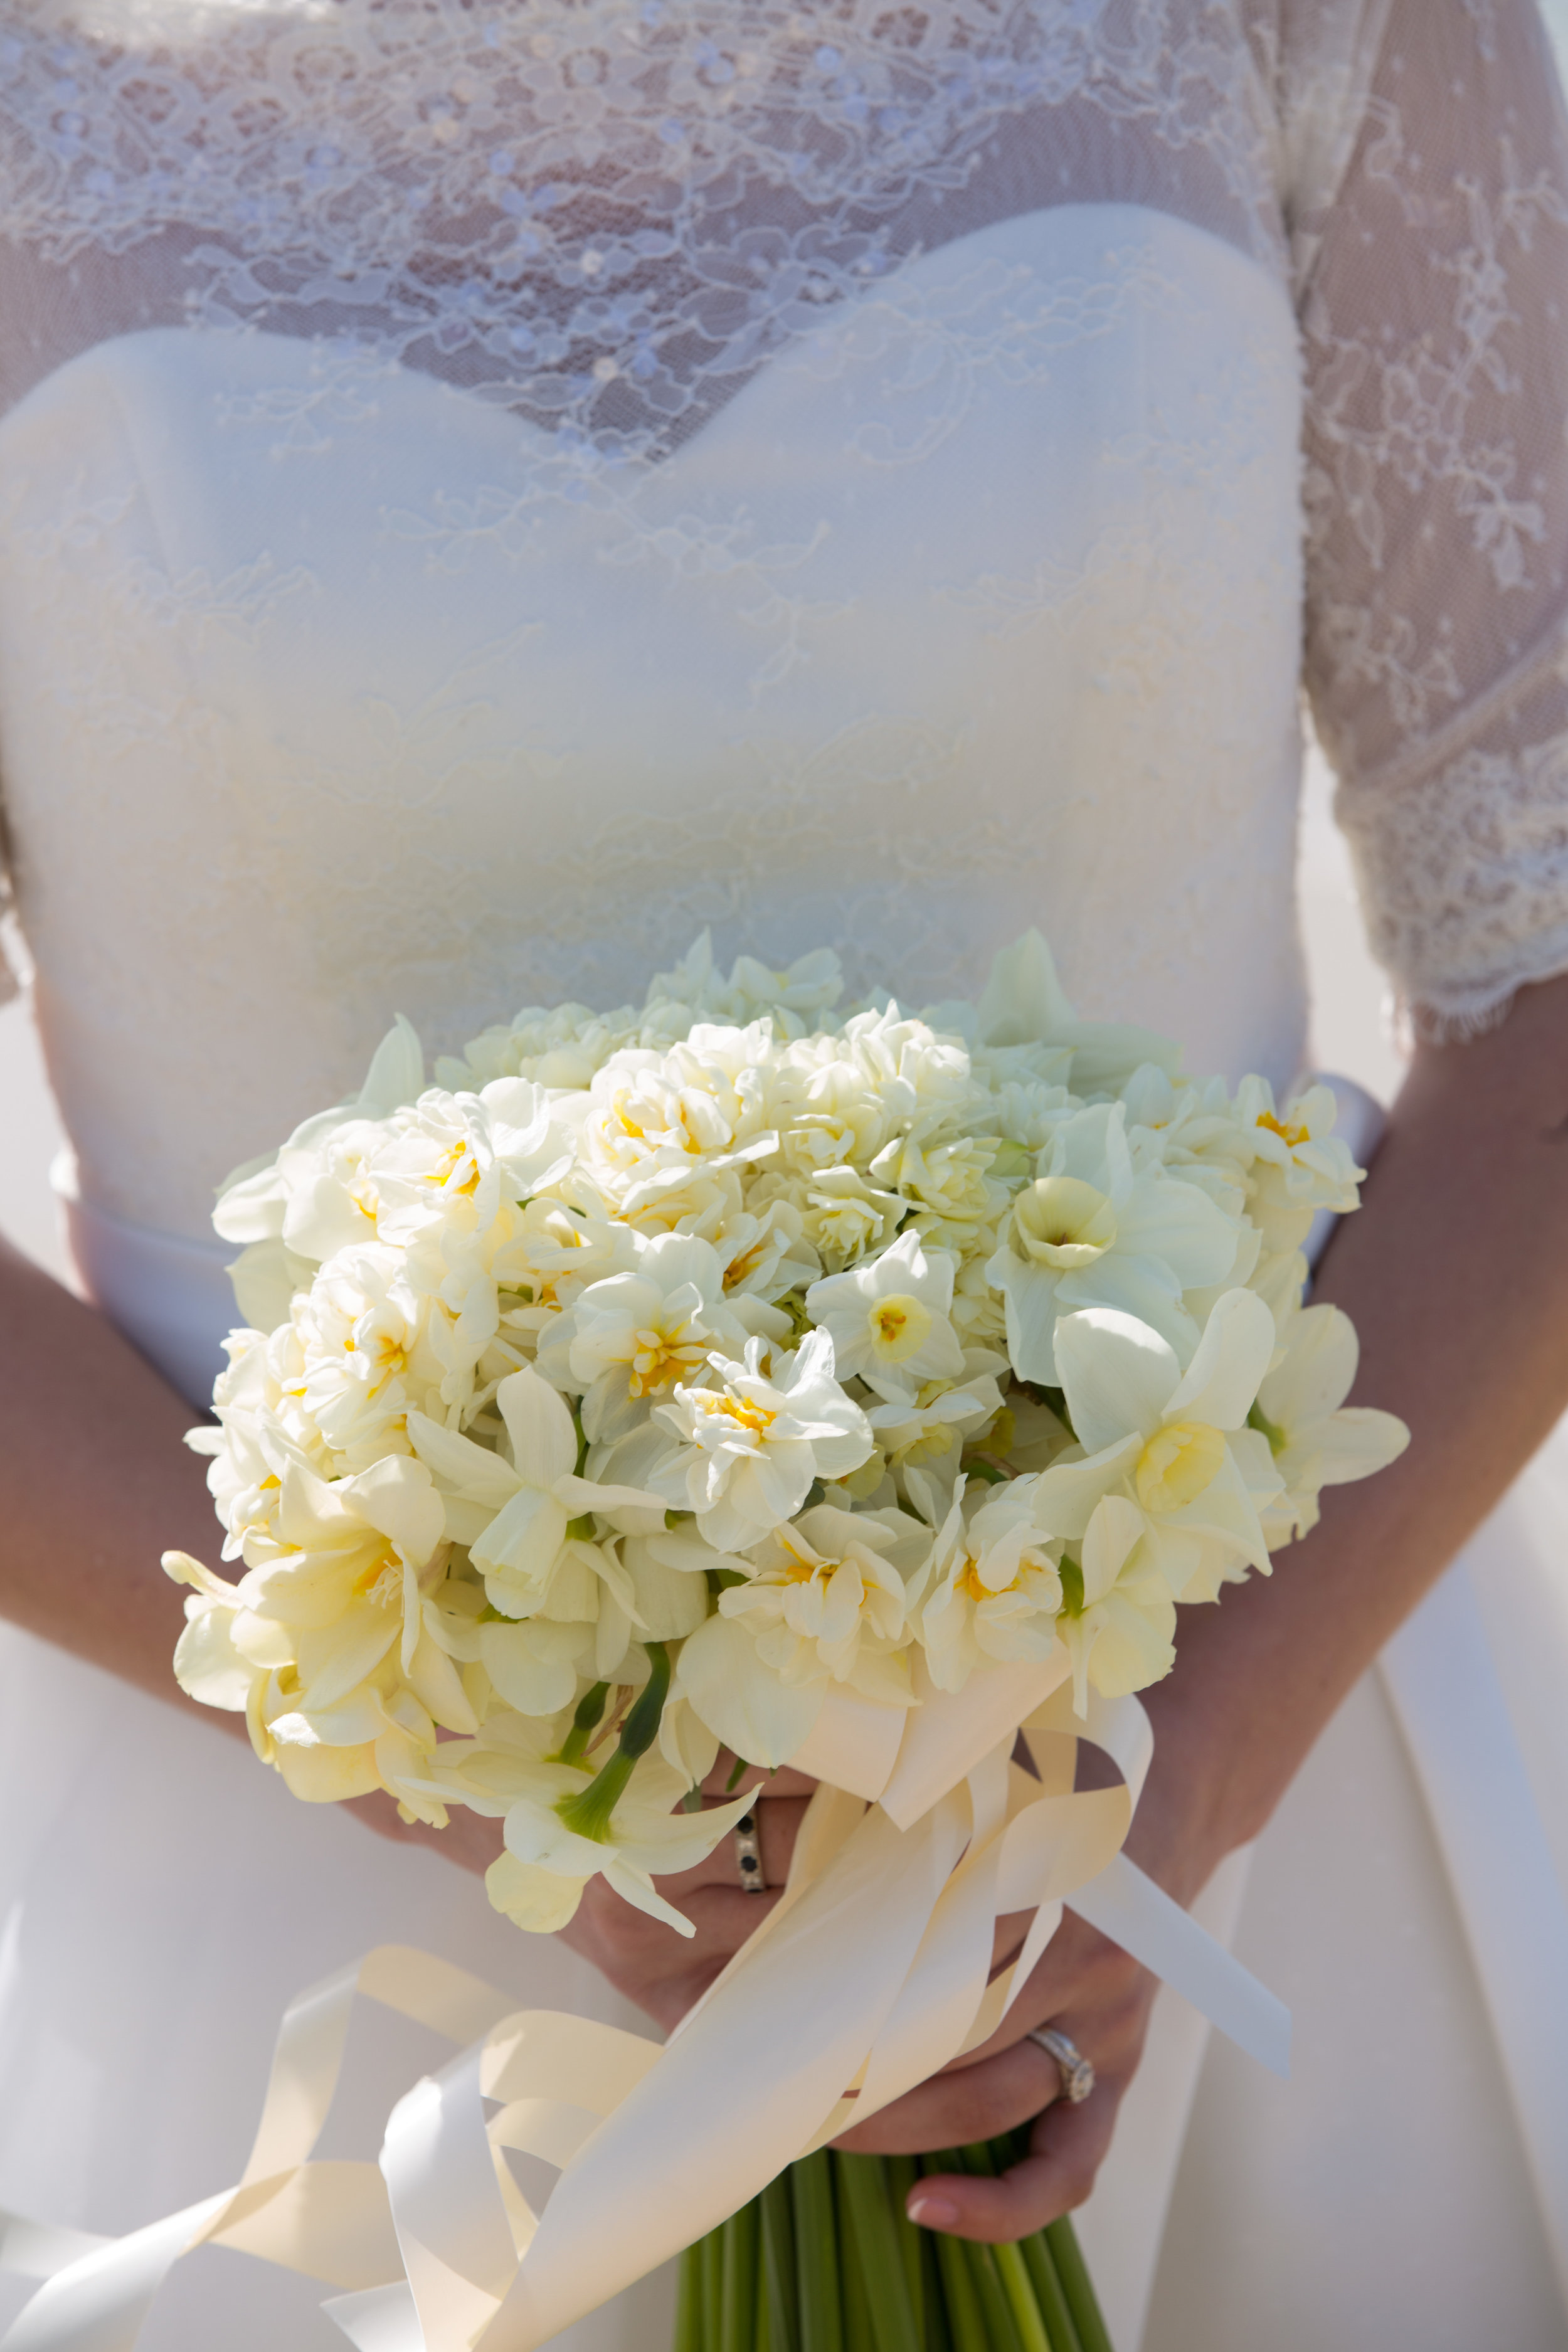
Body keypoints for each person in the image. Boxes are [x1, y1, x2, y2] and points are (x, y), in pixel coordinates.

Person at [2, 1, 1568, 2344]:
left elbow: (1546, 958)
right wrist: (473, 1772)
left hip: (1235, 1783)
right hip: (323, 1924)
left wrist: (1155, 1804)